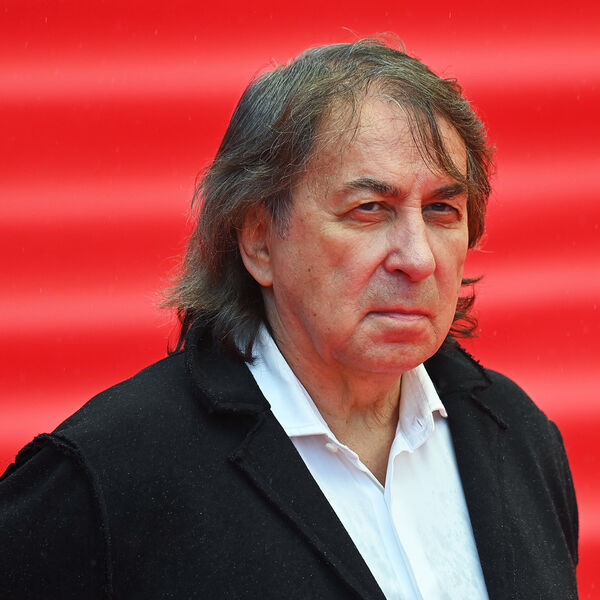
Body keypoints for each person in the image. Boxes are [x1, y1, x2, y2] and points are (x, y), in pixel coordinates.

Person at [0, 39, 578, 599]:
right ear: (258, 241)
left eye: (441, 210)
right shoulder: (105, 477)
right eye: (369, 209)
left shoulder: (518, 435)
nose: (419, 258)